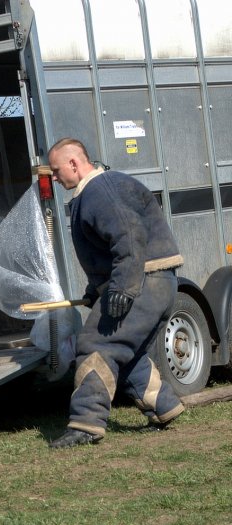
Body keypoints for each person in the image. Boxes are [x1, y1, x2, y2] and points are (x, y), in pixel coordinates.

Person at [46, 138, 185, 448]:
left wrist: (122, 287)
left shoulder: (100, 190)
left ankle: (86, 423)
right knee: (127, 352)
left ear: (73, 164)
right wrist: (96, 290)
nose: (54, 178)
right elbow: (104, 254)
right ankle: (164, 406)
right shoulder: (99, 190)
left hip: (143, 280)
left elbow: (128, 235)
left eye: (55, 171)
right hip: (154, 280)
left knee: (96, 345)